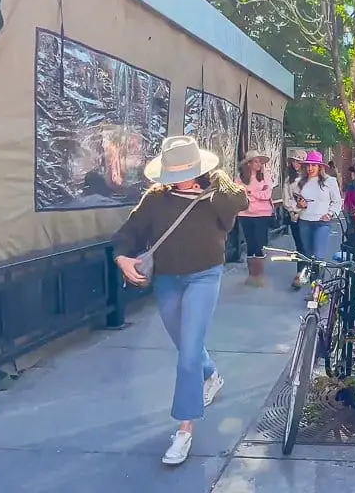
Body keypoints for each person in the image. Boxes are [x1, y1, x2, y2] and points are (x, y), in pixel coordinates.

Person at [111, 136, 248, 466]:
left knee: (188, 354)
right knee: (187, 345)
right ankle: (212, 375)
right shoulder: (156, 199)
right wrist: (122, 259)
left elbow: (240, 202)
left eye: (183, 172)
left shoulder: (215, 195)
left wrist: (218, 178)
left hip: (205, 277)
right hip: (167, 281)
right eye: (171, 173)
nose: (176, 179)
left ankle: (185, 429)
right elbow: (128, 232)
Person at [286, 150, 343, 289]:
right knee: (306, 253)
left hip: (322, 223)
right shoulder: (299, 182)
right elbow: (291, 202)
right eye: (308, 165)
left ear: (320, 167)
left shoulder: (330, 181)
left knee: (318, 255)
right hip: (304, 221)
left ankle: (317, 289)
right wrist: (299, 205)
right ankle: (307, 279)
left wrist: (330, 214)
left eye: (314, 165)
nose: (310, 168)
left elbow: (337, 201)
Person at [236, 150, 274, 288]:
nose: (259, 164)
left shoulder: (265, 176)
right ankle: (252, 275)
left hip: (262, 214)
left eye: (260, 161)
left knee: (259, 244)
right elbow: (239, 193)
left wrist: (252, 193)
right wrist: (253, 194)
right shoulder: (240, 178)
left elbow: (267, 193)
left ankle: (259, 275)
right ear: (249, 163)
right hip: (245, 214)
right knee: (250, 244)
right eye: (256, 161)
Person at [282, 149, 307, 275]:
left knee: (309, 245)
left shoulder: (310, 178)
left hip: (309, 216)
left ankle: (310, 271)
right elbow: (286, 200)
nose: (296, 164)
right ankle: (300, 273)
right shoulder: (289, 179)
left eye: (299, 162)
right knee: (300, 246)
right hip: (295, 216)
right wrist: (295, 208)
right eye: (294, 161)